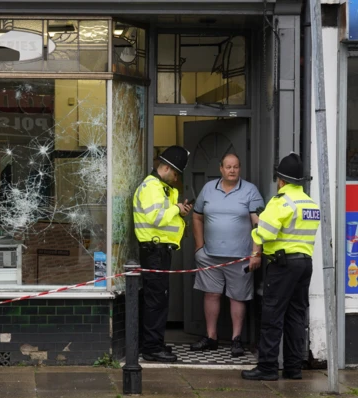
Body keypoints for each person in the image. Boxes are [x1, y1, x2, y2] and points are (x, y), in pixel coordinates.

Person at [241, 153, 320, 381]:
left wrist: (256, 227)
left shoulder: (281, 202)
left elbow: (265, 233)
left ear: (281, 180)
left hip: (283, 265)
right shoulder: (310, 203)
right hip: (305, 264)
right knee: (296, 317)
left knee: (272, 315)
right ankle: (293, 368)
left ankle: (267, 367)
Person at [190, 153, 264, 357]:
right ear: (221, 169)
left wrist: (256, 253)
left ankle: (236, 340)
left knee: (237, 297)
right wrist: (199, 247)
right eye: (228, 167)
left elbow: (259, 224)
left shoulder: (250, 191)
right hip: (209, 255)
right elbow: (196, 217)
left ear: (240, 169)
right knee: (211, 294)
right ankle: (211, 337)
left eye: (236, 167)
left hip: (240, 257)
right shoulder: (208, 189)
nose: (232, 170)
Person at [133, 145, 192, 362]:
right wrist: (177, 209)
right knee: (155, 301)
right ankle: (150, 348)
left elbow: (163, 218)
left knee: (159, 301)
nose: (176, 179)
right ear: (166, 168)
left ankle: (155, 343)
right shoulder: (151, 187)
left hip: (160, 252)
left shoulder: (161, 188)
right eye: (175, 173)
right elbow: (155, 218)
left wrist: (178, 210)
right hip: (153, 252)